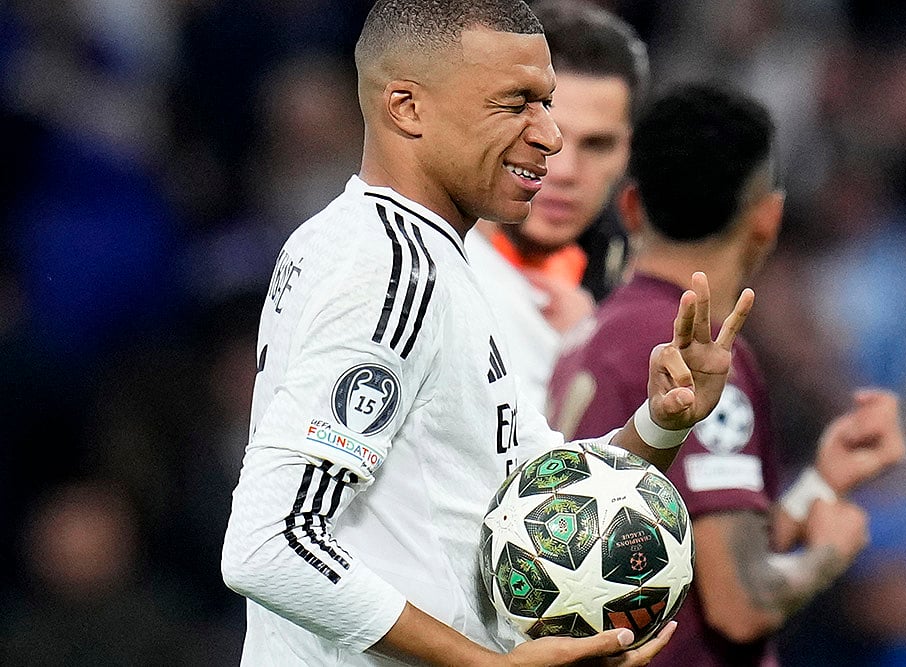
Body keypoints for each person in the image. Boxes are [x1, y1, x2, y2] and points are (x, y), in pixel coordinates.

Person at [221, 3, 754, 666]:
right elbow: (270, 543)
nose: (550, 136)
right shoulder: (390, 272)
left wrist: (664, 419)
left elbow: (539, 496)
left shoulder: (418, 257)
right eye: (515, 104)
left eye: (546, 102)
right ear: (407, 108)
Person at [547, 84, 906, 666]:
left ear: (631, 206)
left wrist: (820, 483)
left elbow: (699, 546)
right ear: (768, 218)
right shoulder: (703, 358)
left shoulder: (593, 334)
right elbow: (739, 603)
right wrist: (829, 556)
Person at [466, 0, 646, 410]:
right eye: (544, 133)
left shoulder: (633, 299)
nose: (565, 170)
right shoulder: (421, 274)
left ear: (627, 153)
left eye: (598, 144)